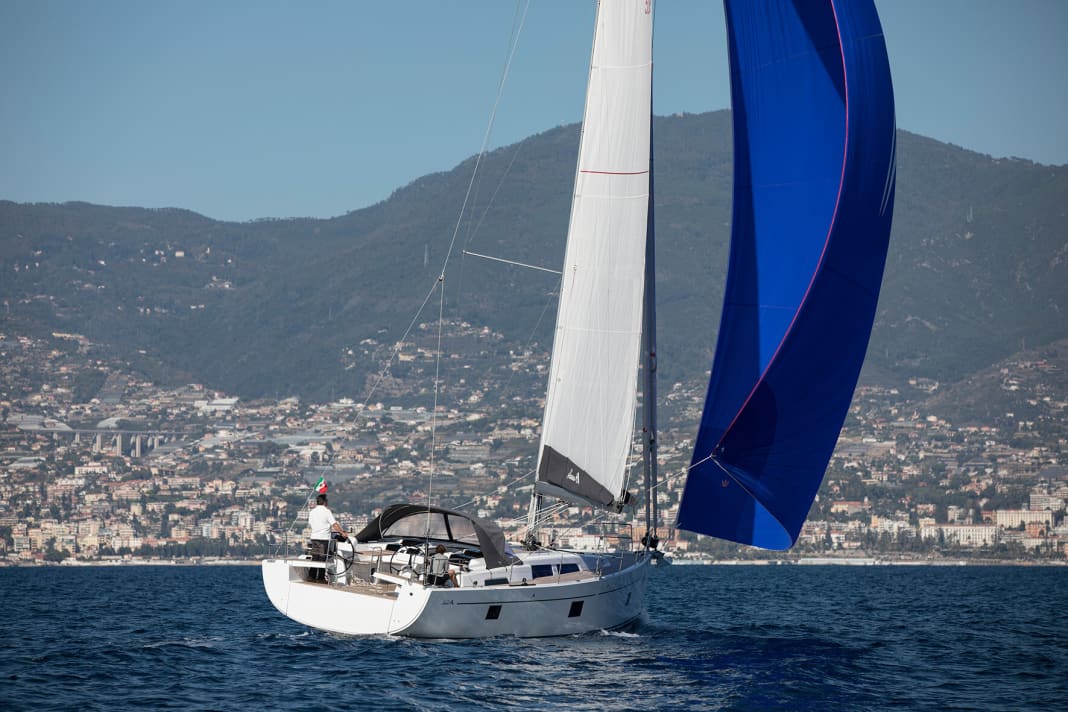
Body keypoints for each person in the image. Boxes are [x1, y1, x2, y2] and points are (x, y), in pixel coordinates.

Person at [307, 494, 351, 581]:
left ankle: (311, 576)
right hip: (323, 538)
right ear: (324, 502)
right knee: (323, 558)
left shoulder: (312, 512)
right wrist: (342, 533)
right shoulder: (327, 512)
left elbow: (310, 524)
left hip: (314, 538)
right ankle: (320, 578)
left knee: (315, 558)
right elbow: (334, 524)